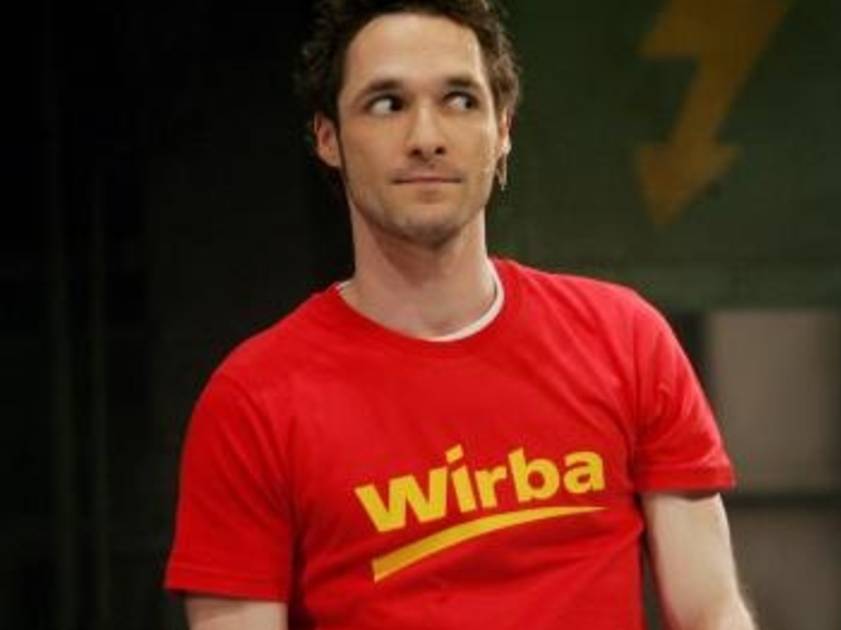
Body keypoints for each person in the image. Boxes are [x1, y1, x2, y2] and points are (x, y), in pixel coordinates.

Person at [165, 1, 757, 628]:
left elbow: (712, 612)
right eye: (387, 104)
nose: (426, 137)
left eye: (459, 100)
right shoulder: (254, 401)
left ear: (503, 130)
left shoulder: (625, 340)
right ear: (327, 138)